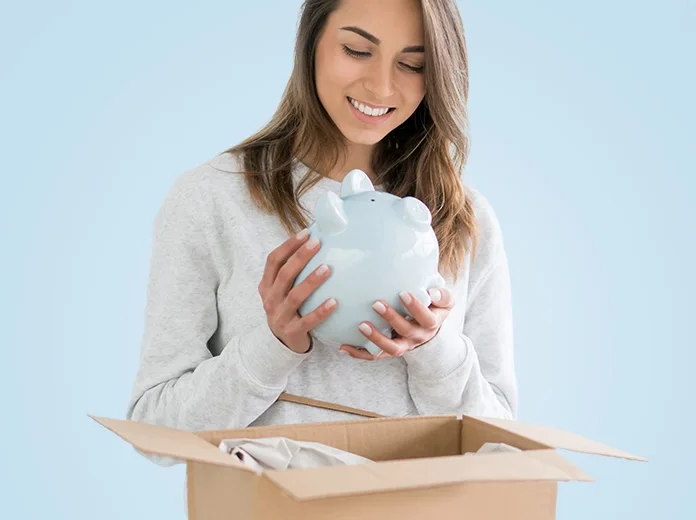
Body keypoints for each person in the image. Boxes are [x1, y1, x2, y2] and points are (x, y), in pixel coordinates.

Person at [126, 0, 515, 432]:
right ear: (311, 43)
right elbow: (154, 424)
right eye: (356, 50)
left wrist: (435, 349)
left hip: (418, 500)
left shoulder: (462, 218)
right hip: (267, 500)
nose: (382, 88)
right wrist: (272, 347)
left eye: (411, 64)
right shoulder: (212, 197)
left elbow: (500, 435)